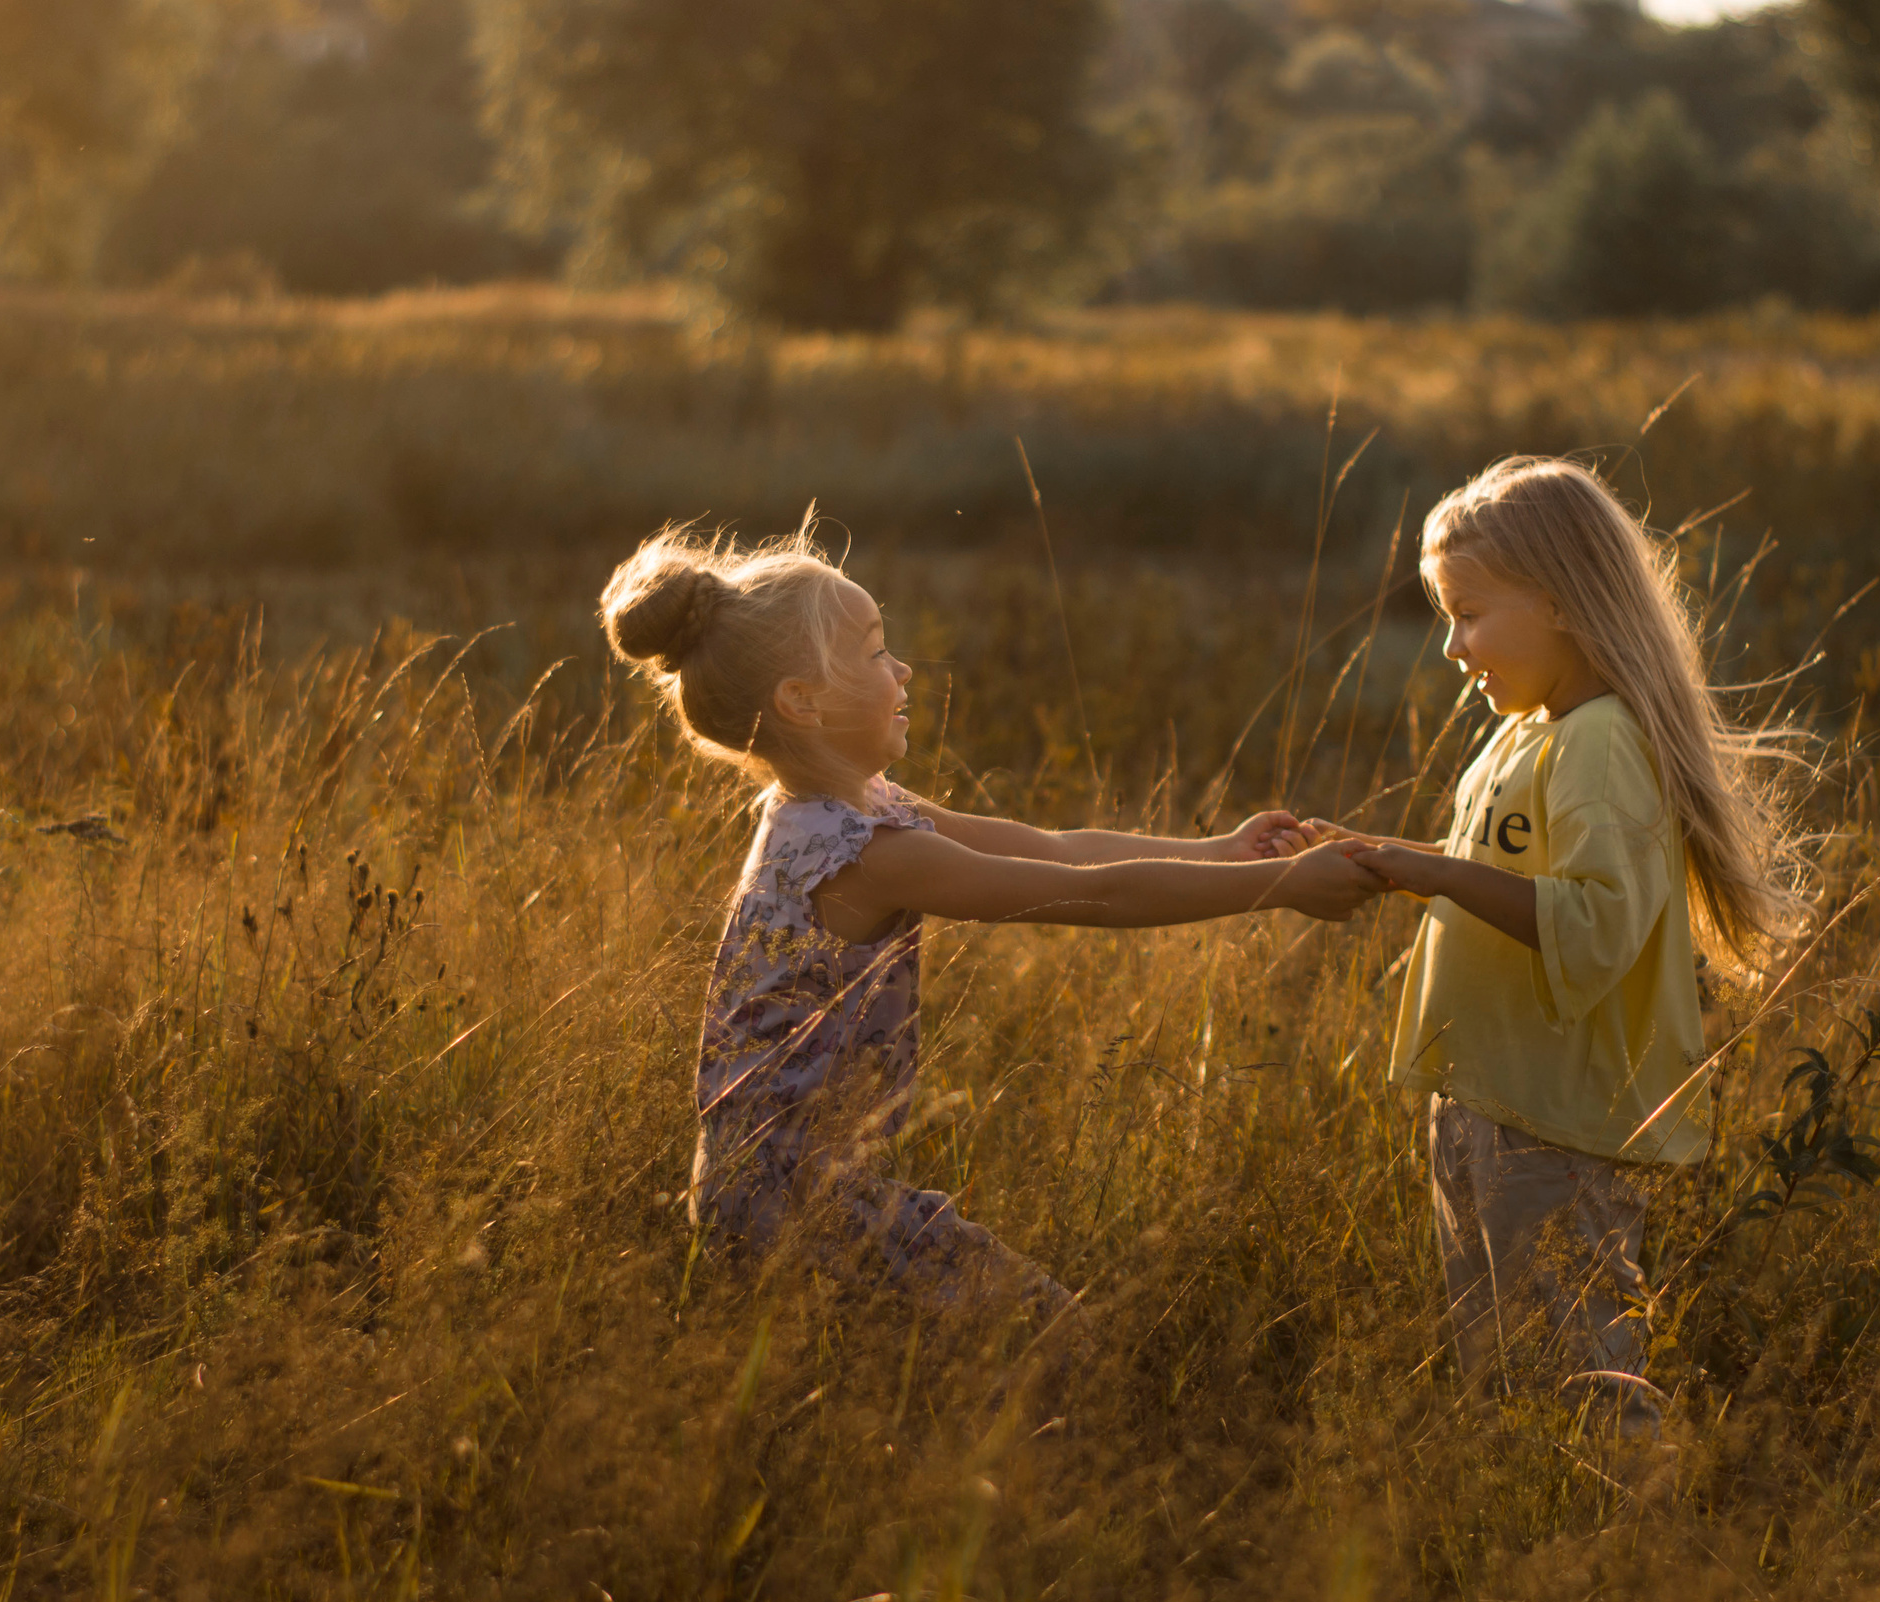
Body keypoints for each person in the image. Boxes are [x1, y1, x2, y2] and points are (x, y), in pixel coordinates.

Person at [598, 521, 1383, 1333]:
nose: (902, 668)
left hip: (766, 1184)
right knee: (1052, 1340)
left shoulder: (855, 807)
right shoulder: (867, 852)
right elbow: (1093, 896)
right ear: (801, 699)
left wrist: (1222, 851)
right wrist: (1279, 885)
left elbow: (1053, 847)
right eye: (873, 654)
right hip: (793, 1198)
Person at [1303, 457, 1798, 1434]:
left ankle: (1633, 1555)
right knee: (1501, 1380)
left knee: (1584, 1383)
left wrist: (1433, 873)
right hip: (1487, 1105)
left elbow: (1594, 923)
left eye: (1470, 613)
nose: (1452, 646)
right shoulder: (1525, 733)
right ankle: (1533, 1561)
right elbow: (1511, 882)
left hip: (1556, 1124)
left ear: (1564, 601)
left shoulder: (1601, 740)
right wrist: (1419, 905)